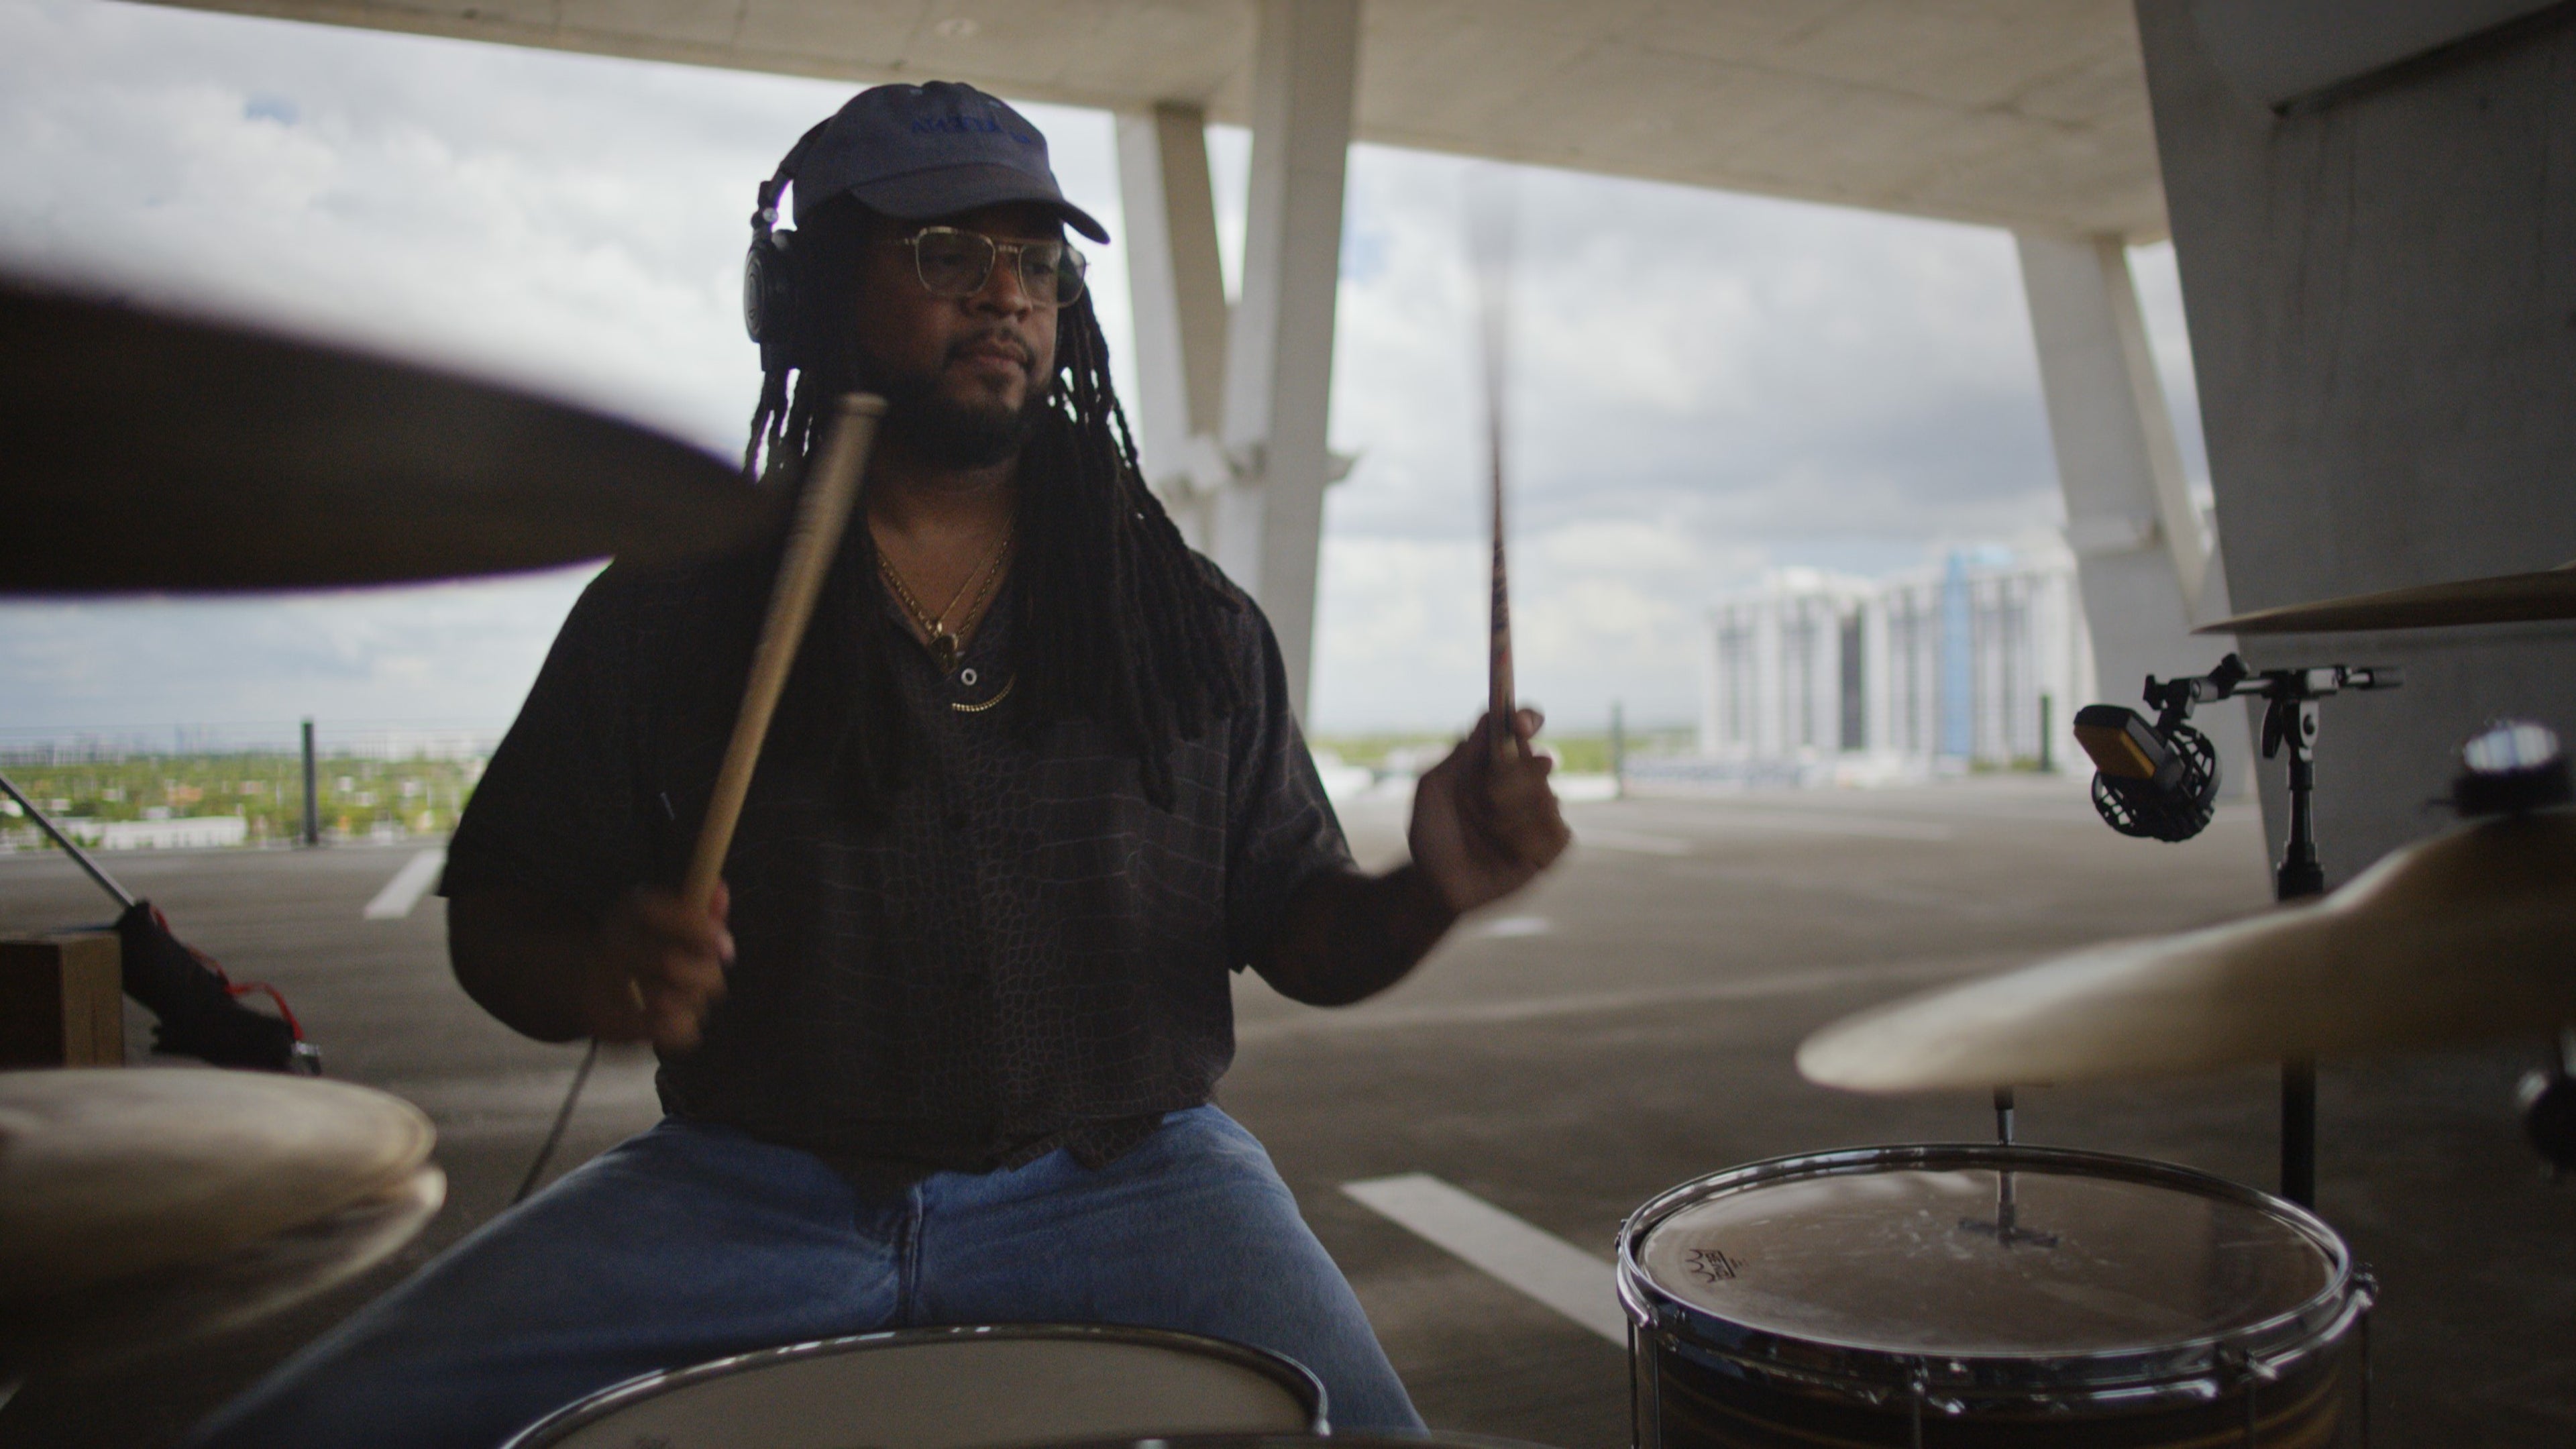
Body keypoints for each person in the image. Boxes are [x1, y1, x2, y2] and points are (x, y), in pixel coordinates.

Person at [191, 81, 1568, 1449]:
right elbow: (499, 912)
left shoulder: (1183, 620)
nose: (1005, 295)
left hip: (1139, 1183)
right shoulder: (677, 602)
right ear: (810, 292)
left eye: (1036, 261)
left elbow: (1303, 930)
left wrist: (1431, 888)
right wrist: (593, 976)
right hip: (746, 1187)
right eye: (944, 253)